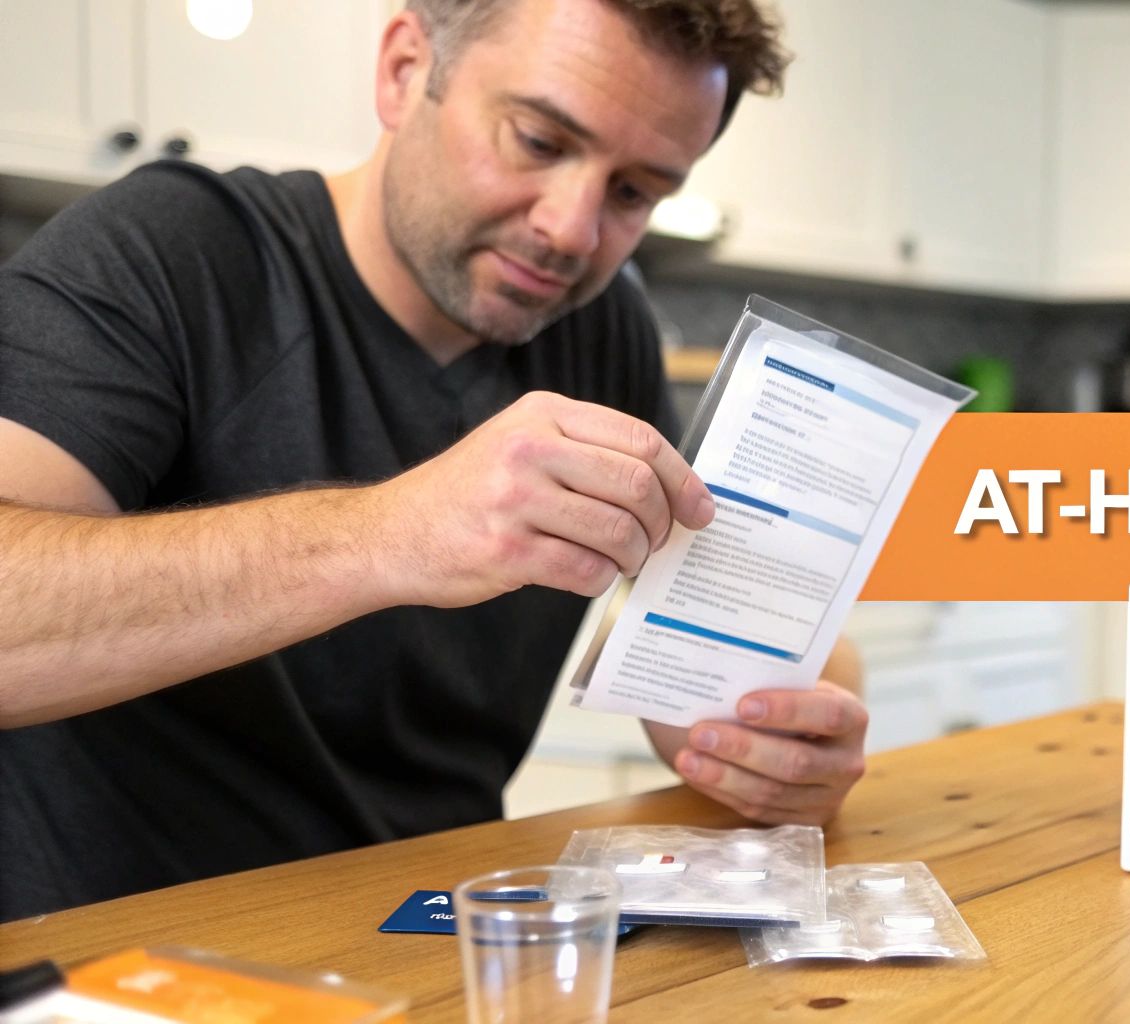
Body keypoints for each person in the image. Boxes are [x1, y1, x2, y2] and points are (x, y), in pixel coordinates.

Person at [0, 0, 869, 924]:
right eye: (538, 140)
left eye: (634, 193)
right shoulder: (173, 252)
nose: (573, 232)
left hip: (432, 934)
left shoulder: (600, 326)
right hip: (126, 953)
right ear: (405, 68)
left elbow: (704, 619)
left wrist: (773, 733)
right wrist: (391, 534)